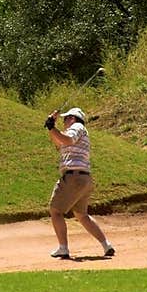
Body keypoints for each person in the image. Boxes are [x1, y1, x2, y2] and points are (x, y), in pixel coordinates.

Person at [44, 106, 115, 260]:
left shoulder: (77, 127)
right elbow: (59, 142)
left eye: (66, 118)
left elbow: (67, 140)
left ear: (73, 118)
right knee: (82, 215)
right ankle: (106, 245)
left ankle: (63, 248)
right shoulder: (78, 131)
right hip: (84, 179)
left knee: (56, 211)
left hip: (73, 177)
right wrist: (51, 127)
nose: (64, 122)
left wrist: (52, 126)